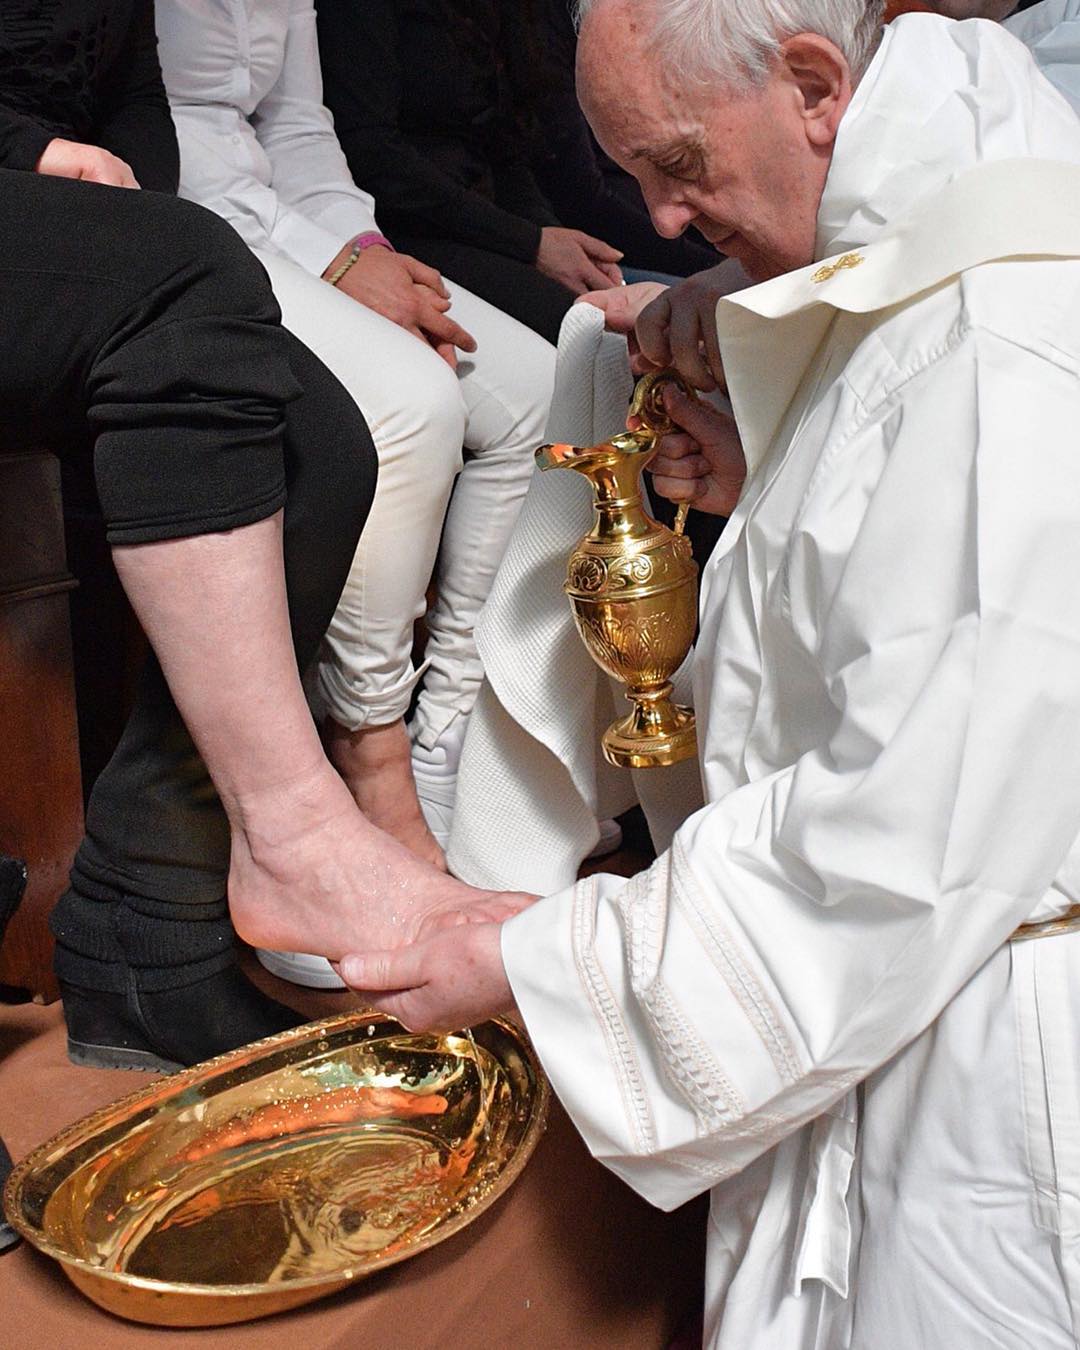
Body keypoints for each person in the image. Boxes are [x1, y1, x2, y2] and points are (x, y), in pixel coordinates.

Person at [335, 5, 1080, 1346]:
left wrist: (536, 956)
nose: (666, 219)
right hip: (909, 993)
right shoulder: (955, 200)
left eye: (680, 164)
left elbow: (895, 844)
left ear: (812, 85)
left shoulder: (1006, 352)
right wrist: (780, 461)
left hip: (986, 1071)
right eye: (633, 175)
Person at [154, 1, 556, 956]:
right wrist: (334, 265)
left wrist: (366, 252)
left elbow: (298, 127)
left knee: (539, 391)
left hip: (295, 220)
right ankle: (366, 748)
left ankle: (450, 732)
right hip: (189, 226)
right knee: (413, 406)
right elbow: (158, 135)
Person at [314, 0, 624, 344]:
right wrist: (530, 242)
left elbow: (504, 146)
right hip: (405, 226)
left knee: (615, 313)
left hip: (489, 224)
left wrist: (550, 236)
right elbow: (373, 156)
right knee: (594, 333)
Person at [527, 0, 726, 281]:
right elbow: (580, 193)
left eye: (676, 161)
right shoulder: (542, 33)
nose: (666, 222)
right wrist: (720, 274)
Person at [0, 0, 178, 191]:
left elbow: (136, 95)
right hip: (19, 164)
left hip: (76, 180)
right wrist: (38, 151)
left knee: (195, 220)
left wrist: (143, 197)